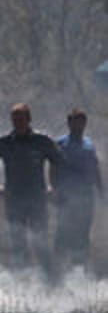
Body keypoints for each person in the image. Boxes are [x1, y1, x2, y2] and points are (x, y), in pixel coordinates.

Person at [0, 102, 63, 273]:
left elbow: (60, 162)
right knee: (18, 242)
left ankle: (51, 282)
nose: (17, 122)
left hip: (37, 199)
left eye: (21, 119)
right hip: (14, 199)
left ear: (29, 119)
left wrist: (54, 186)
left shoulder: (42, 141)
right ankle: (22, 282)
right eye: (14, 119)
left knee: (41, 242)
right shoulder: (4, 143)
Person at [51, 108, 103, 271]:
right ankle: (58, 271)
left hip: (85, 196)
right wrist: (54, 188)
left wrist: (101, 190)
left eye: (82, 122)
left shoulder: (89, 145)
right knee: (63, 232)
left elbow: (95, 168)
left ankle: (79, 270)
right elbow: (53, 167)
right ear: (69, 123)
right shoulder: (60, 143)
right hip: (66, 196)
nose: (79, 125)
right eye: (75, 122)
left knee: (82, 233)